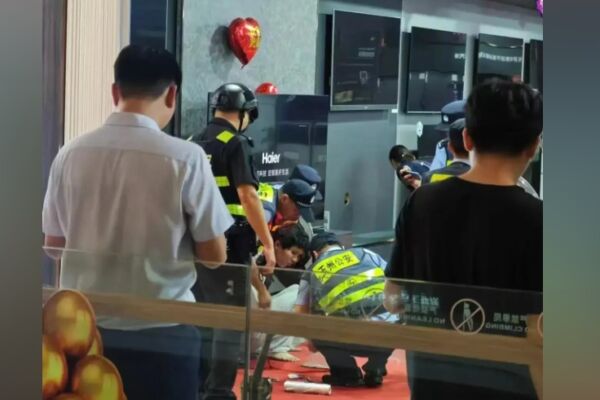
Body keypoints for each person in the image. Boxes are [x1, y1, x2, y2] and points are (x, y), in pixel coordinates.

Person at [42, 45, 232, 400]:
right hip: (164, 332)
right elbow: (215, 256)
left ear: (115, 91)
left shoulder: (69, 154)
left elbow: (53, 246)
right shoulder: (186, 158)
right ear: (172, 94)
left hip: (84, 333)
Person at [385, 80, 543, 399]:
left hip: (431, 384)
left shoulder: (422, 202)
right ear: (534, 146)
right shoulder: (539, 219)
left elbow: (393, 298)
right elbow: (538, 332)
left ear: (467, 138)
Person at [190, 82, 275, 400]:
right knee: (230, 320)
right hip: (229, 245)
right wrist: (267, 243)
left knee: (202, 318)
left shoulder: (193, 142)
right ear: (245, 113)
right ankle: (219, 392)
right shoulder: (236, 143)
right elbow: (248, 196)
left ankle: (199, 386)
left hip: (195, 245)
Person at [295, 232, 394, 388]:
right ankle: (376, 366)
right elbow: (394, 278)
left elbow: (300, 315)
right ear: (341, 247)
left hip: (351, 338)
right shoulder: (365, 253)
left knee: (317, 331)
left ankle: (347, 373)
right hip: (390, 336)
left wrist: (311, 339)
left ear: (314, 254)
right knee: (390, 318)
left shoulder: (311, 272)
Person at [250, 222, 310, 361]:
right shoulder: (258, 257)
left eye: (298, 256)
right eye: (293, 253)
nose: (295, 259)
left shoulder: (273, 262)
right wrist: (261, 290)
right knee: (299, 292)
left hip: (256, 325)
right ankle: (275, 348)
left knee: (298, 291)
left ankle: (276, 346)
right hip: (245, 326)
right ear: (277, 245)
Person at [399, 118, 470, 190]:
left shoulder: (431, 177)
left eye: (448, 135)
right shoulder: (478, 175)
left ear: (450, 146)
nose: (445, 138)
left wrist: (421, 186)